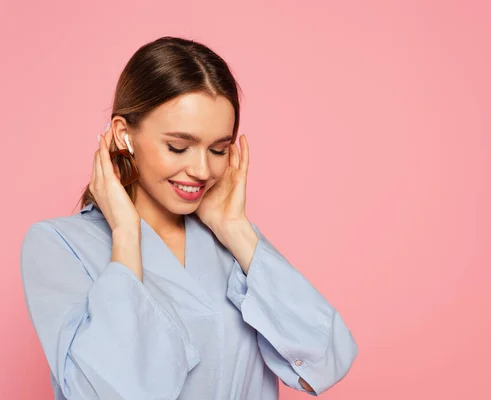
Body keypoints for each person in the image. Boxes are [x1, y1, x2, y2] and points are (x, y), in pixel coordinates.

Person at [20, 36, 358, 400]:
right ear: (123, 136)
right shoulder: (58, 246)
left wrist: (236, 229)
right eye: (178, 147)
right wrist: (125, 235)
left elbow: (324, 364)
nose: (201, 170)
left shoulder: (232, 244)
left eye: (217, 150)